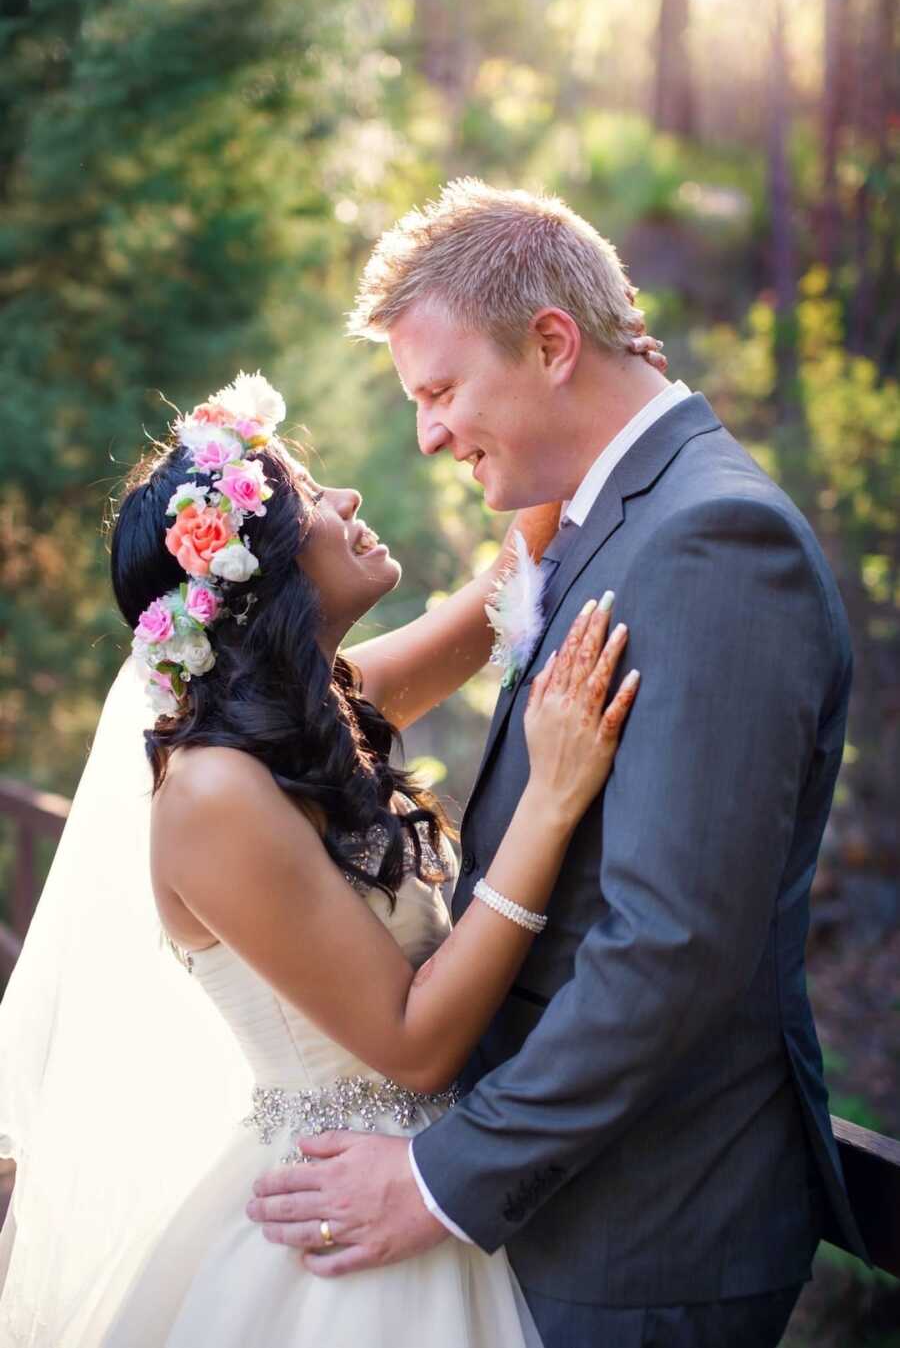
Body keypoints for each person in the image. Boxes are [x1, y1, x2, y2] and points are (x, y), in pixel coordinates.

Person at [249, 180, 870, 1348]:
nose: (427, 434)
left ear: (550, 343)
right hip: (570, 1211)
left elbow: (672, 945)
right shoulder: (602, 520)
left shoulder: (712, 542)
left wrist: (439, 1176)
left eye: (439, 391)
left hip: (644, 1238)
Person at [0, 368, 649, 1345]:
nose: (347, 500)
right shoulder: (214, 793)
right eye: (309, 495)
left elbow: (487, 604)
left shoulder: (311, 721)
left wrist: (579, 390)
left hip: (431, 1177)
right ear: (260, 567)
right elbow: (414, 1041)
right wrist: (552, 804)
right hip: (346, 1231)